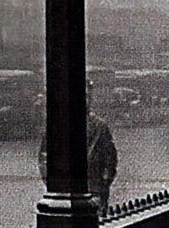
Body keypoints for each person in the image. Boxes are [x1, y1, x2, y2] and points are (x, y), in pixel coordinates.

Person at [37, 84, 118, 217]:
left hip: (93, 189)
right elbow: (45, 157)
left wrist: (103, 184)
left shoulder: (99, 126)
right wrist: (53, 183)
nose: (86, 100)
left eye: (88, 97)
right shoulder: (57, 125)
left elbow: (110, 159)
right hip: (65, 191)